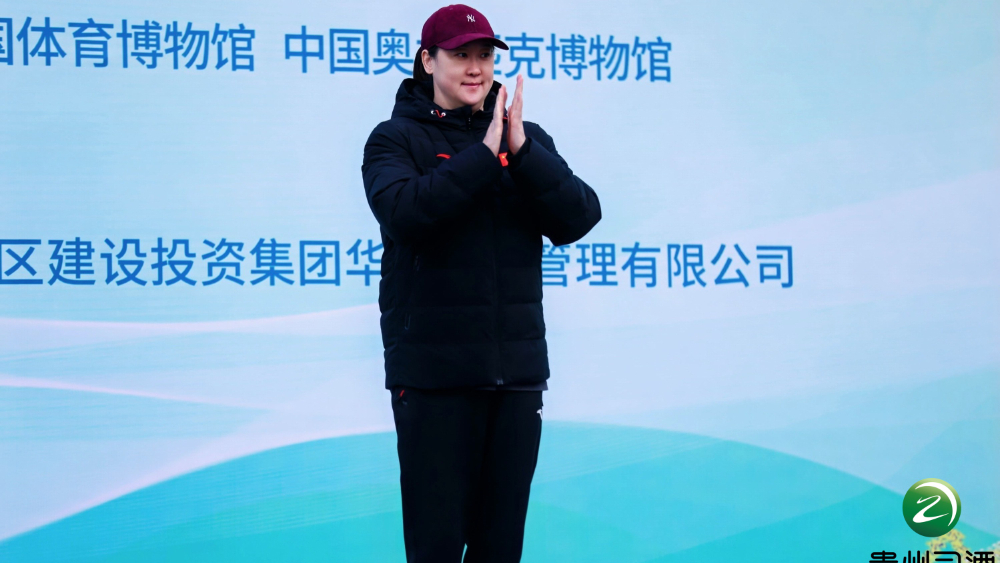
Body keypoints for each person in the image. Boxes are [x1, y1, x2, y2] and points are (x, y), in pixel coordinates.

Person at [361, 4, 601, 562]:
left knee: (500, 548)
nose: (476, 68)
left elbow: (579, 217)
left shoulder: (526, 140)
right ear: (428, 61)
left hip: (515, 377)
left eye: (485, 56)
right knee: (437, 546)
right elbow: (406, 214)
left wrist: (522, 151)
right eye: (460, 55)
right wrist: (484, 154)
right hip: (435, 379)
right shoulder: (394, 139)